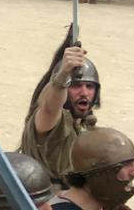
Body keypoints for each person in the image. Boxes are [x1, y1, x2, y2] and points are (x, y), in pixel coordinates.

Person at [20, 37, 97, 183]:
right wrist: (63, 75)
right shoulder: (51, 122)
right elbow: (49, 108)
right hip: (48, 202)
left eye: (89, 86)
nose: (84, 92)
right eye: (76, 86)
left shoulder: (83, 126)